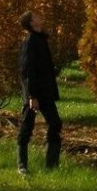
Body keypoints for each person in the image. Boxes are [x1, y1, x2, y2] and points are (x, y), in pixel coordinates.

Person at [17, 10, 61, 174]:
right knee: (26, 127)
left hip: (46, 92)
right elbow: (26, 70)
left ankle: (52, 165)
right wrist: (31, 96)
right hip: (34, 93)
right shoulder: (29, 42)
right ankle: (22, 165)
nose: (39, 16)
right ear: (30, 23)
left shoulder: (42, 39)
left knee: (56, 123)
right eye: (35, 16)